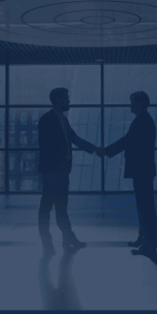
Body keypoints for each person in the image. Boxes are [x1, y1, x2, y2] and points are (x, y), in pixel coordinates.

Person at [37, 88, 100, 254]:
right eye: (67, 98)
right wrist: (49, 172)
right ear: (58, 100)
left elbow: (75, 139)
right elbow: (45, 149)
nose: (69, 101)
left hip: (62, 172)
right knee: (46, 208)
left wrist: (94, 149)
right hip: (52, 173)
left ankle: (68, 240)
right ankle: (47, 242)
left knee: (61, 208)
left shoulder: (63, 120)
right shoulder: (47, 120)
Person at [102, 92, 157, 257]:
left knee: (145, 207)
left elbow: (127, 141)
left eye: (132, 102)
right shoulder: (143, 120)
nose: (130, 105)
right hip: (142, 170)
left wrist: (106, 151)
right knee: (143, 206)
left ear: (139, 104)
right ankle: (143, 238)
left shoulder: (142, 121)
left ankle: (149, 244)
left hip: (142, 170)